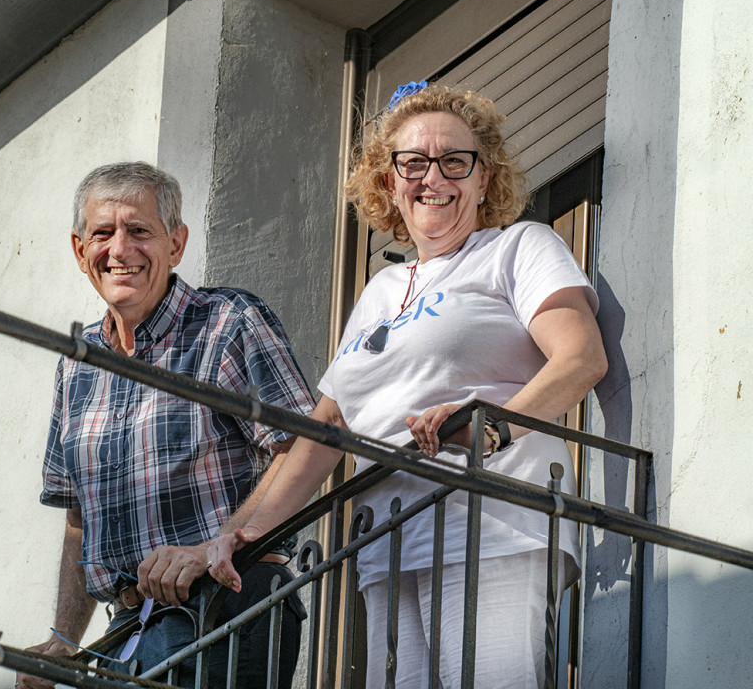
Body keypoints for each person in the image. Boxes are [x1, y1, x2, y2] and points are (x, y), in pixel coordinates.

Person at [208, 84, 608, 688]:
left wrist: (491, 425)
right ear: (389, 181)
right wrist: (247, 532)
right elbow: (326, 427)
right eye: (414, 163)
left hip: (492, 525)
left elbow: (580, 358)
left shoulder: (517, 248)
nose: (433, 177)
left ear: (484, 178)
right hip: (388, 542)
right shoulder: (381, 291)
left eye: (455, 161)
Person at [15, 162, 313, 689]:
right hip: (126, 635)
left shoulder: (228, 322)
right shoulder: (76, 365)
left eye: (139, 230)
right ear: (80, 250)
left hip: (225, 609)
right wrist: (64, 638)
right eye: (102, 233)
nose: (119, 249)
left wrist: (214, 546)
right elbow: (79, 518)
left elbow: (303, 444)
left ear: (176, 244)